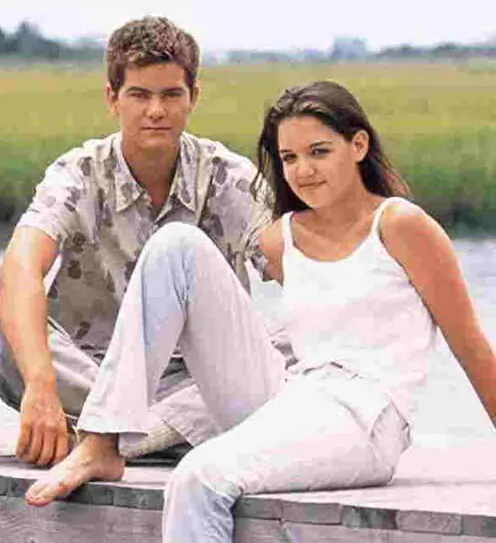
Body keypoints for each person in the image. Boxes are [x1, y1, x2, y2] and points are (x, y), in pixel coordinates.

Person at [25, 80, 496, 541]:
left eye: (319, 151)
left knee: (199, 476)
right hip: (294, 394)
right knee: (176, 244)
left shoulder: (400, 225)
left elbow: (472, 348)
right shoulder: (283, 236)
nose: (304, 170)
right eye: (289, 158)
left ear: (358, 145)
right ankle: (102, 440)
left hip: (365, 419)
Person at [0, 16, 280, 469]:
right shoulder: (78, 172)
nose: (155, 110)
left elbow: (296, 269)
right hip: (92, 377)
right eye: (139, 95)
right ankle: (156, 434)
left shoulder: (228, 176)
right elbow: (18, 270)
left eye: (171, 95)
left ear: (193, 97)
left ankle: (114, 440)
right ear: (112, 98)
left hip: (197, 381)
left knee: (295, 344)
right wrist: (40, 386)